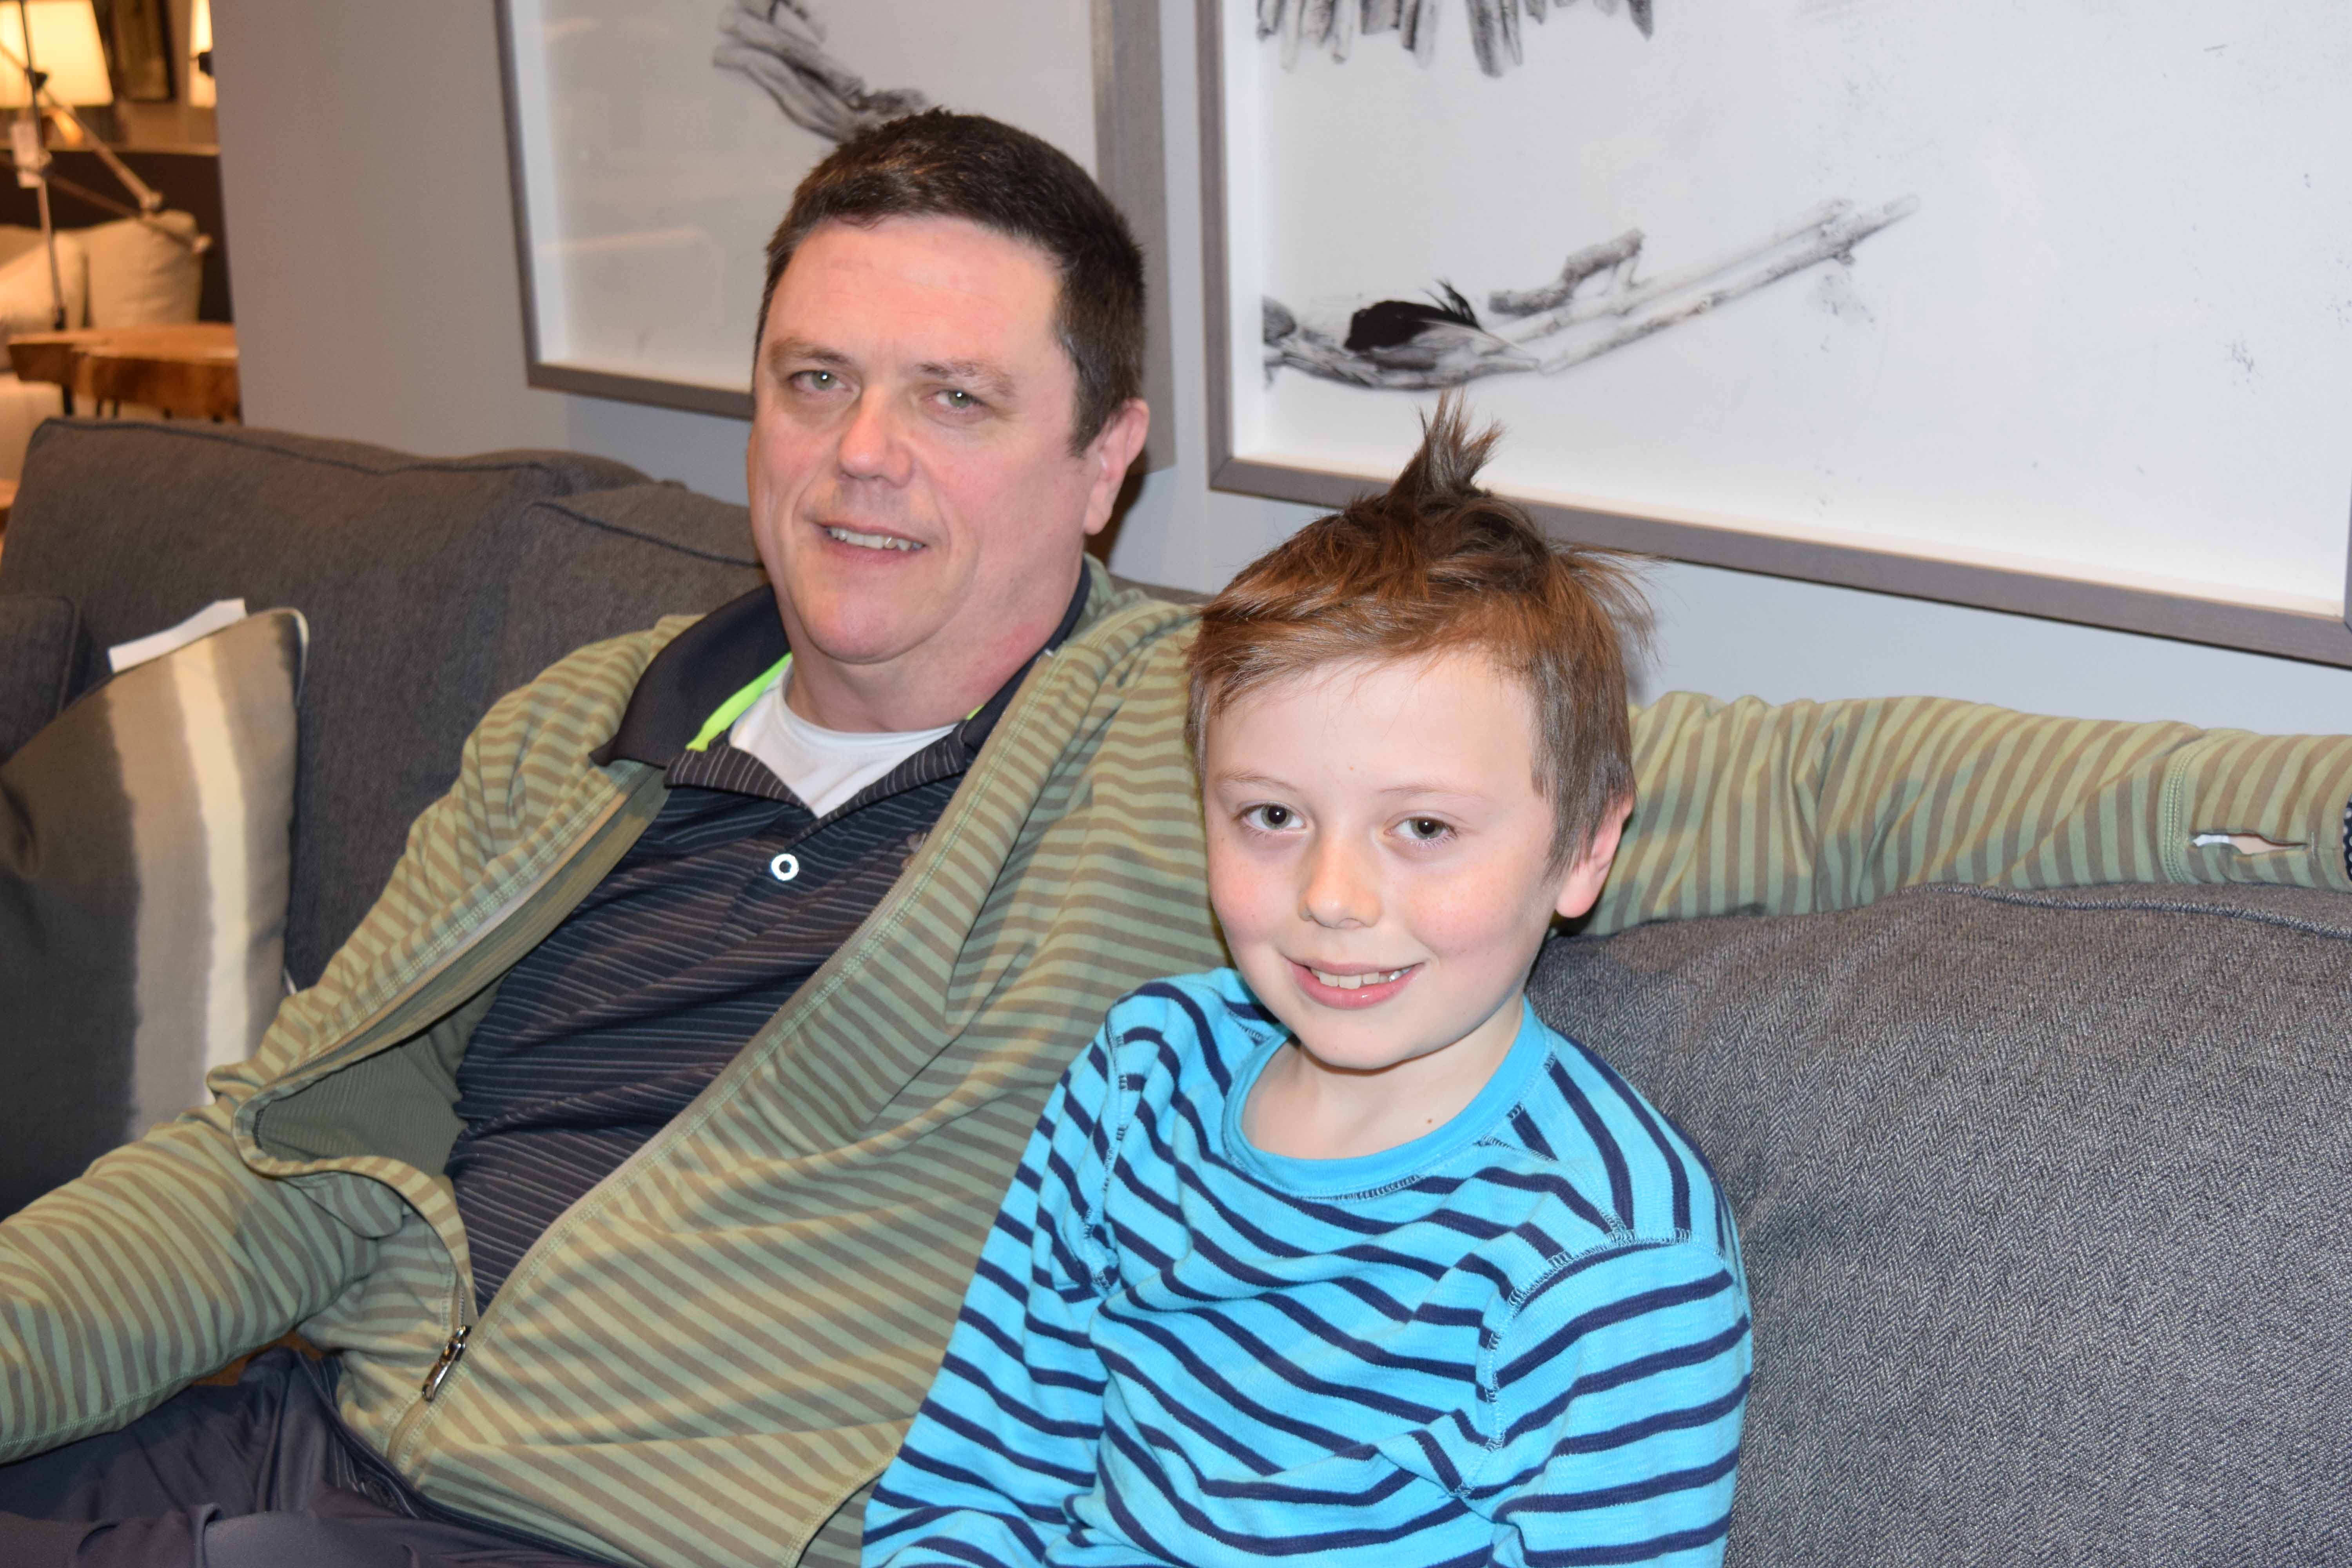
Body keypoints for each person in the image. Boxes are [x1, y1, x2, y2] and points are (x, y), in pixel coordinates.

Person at [0, 108, 2346, 1568]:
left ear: (1106, 460)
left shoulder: (1236, 751)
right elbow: (274, 1153)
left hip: (601, 1523)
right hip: (304, 1421)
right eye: (814, 380)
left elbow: (1856, 786)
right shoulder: (577, 729)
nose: (860, 456)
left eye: (956, 396)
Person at [864, 399, 1746, 1567]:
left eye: (1423, 828)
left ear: (1585, 848)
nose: (1332, 896)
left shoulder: (1608, 1255)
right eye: (1273, 817)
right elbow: (973, 1481)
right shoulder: (1142, 1080)